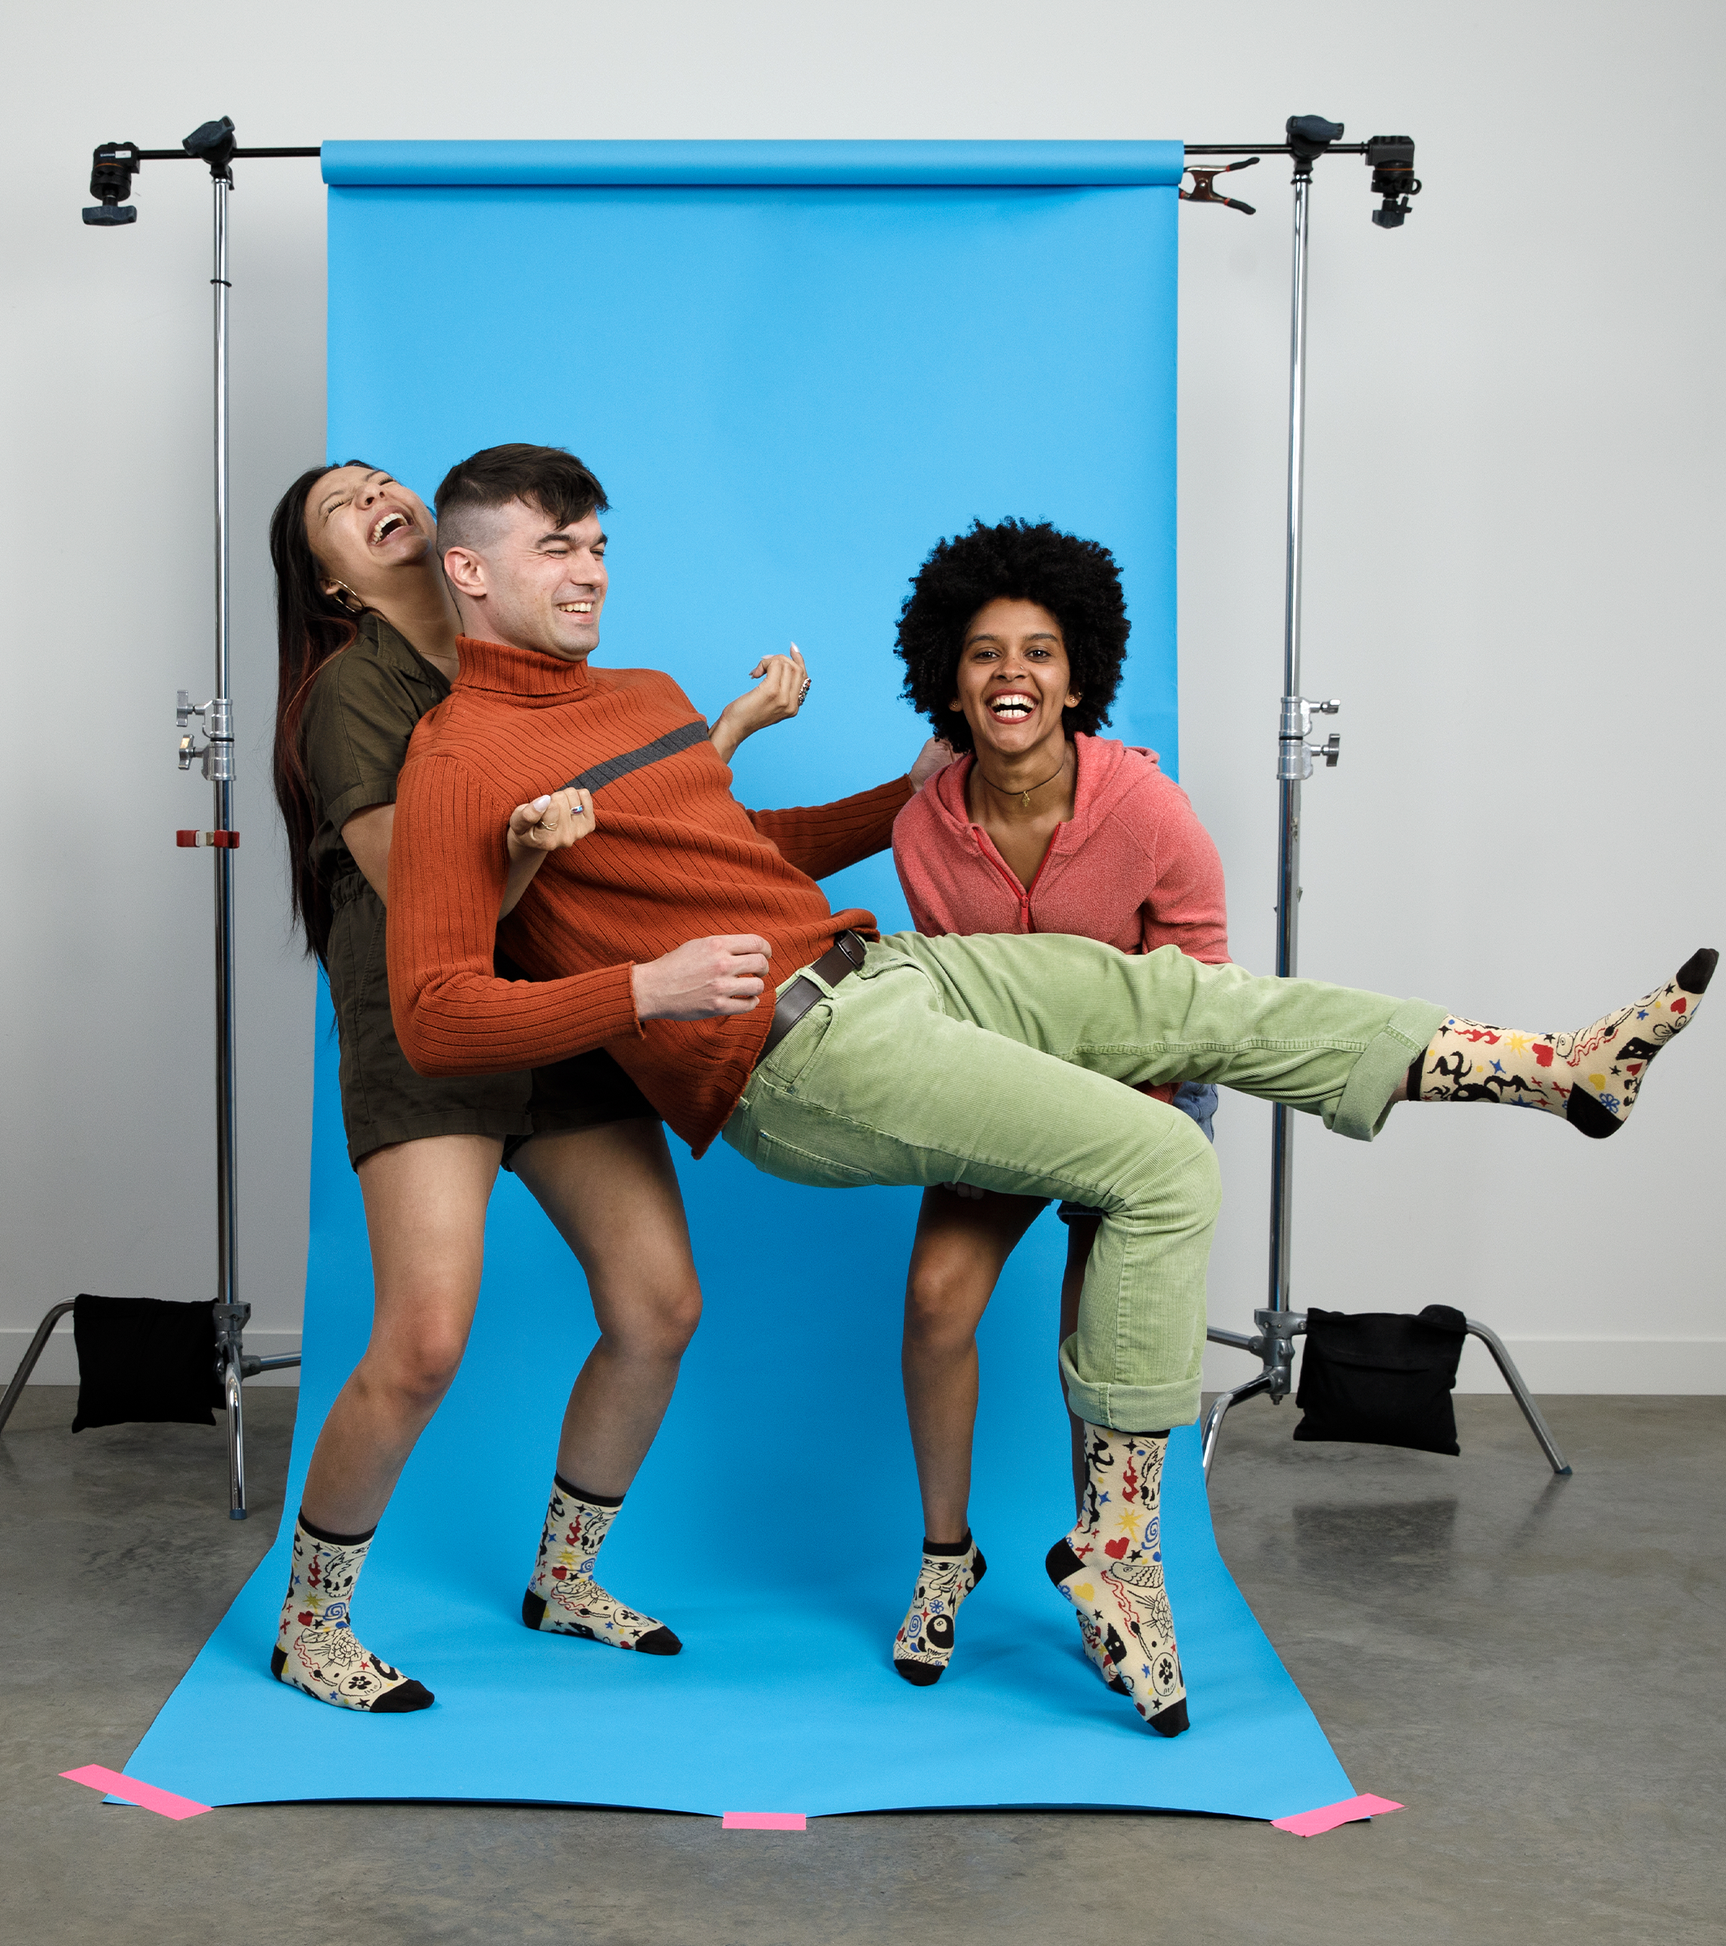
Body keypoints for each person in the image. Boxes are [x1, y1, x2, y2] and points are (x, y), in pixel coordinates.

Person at [387, 441, 1713, 1739]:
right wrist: (641, 991)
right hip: (785, 1055)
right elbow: (434, 1013)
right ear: (469, 569)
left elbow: (746, 848)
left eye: (599, 544)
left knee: (1188, 1002)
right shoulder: (457, 759)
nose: (590, 572)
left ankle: (1555, 1071)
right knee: (1162, 1161)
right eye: (555, 547)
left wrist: (884, 797)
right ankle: (1116, 1548)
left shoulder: (640, 694)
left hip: (886, 971)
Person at [264, 455, 820, 1715]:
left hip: (567, 1002)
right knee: (422, 1339)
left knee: (658, 1306)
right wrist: (518, 847)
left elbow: (632, 823)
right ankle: (311, 1623)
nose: (374, 497)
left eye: (380, 478)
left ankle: (564, 1579)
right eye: (340, 509)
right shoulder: (355, 691)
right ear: (336, 581)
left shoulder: (522, 650)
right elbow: (427, 903)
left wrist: (720, 741)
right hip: (430, 1023)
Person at [884, 517, 1230, 1687]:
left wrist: (1119, 1122)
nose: (1011, 673)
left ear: (1078, 672)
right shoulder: (922, 826)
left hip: (1142, 1094)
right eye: (984, 652)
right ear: (949, 674)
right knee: (936, 1299)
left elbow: (1200, 990)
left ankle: (1114, 1571)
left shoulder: (1145, 809)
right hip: (996, 1091)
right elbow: (944, 994)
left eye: (1037, 650)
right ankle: (945, 1555)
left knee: (1103, 1344)